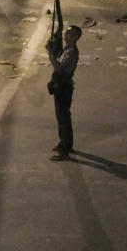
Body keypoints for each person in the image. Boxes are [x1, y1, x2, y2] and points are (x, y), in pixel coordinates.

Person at [48, 24, 82, 161]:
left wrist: (50, 53)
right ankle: (66, 144)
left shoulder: (71, 51)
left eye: (69, 33)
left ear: (75, 37)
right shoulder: (67, 49)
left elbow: (58, 66)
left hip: (63, 86)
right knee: (62, 118)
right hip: (63, 85)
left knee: (63, 119)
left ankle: (64, 150)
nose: (66, 34)